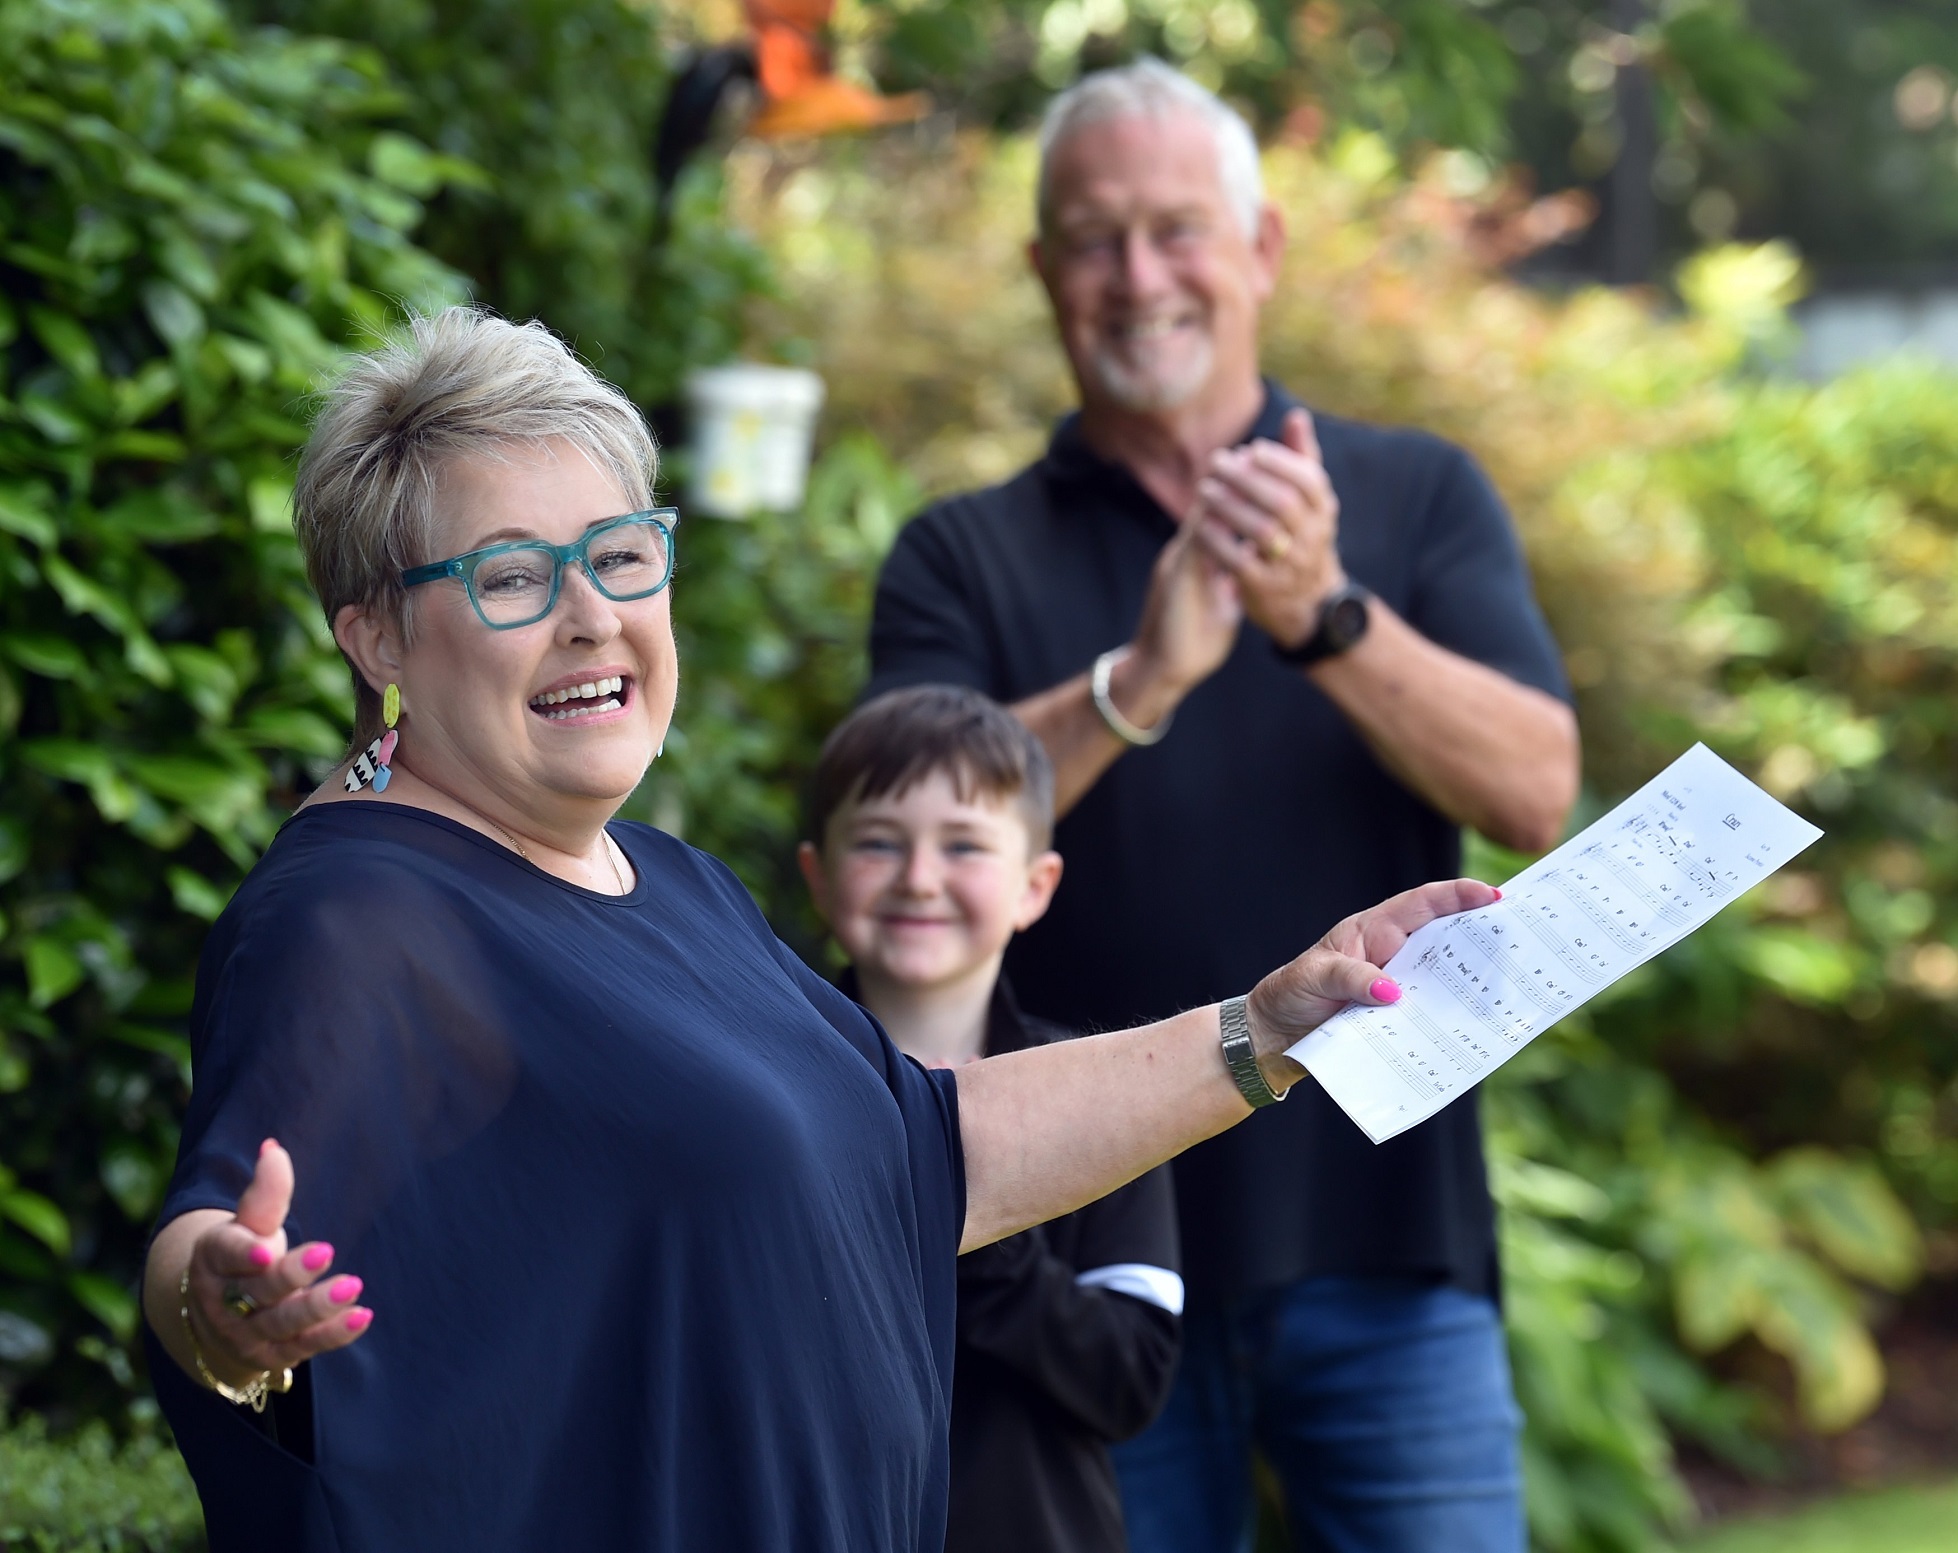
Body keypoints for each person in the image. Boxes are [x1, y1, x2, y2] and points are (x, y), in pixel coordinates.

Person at [137, 305, 1497, 1553]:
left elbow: (924, 1151)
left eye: (618, 556)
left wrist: (1268, 1026)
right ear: (377, 640)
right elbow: (220, 1242)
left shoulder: (674, 887)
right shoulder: (361, 913)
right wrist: (227, 1314)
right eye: (510, 577)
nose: (592, 616)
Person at [864, 60, 1581, 1553]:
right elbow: (903, 837)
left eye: (1176, 230)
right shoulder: (958, 554)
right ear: (1042, 269)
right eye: (1093, 238)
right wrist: (1142, 677)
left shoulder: (1413, 493)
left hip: (1386, 1242)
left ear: (1257, 251)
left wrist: (1322, 614)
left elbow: (1532, 786)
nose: (1137, 278)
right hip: (1085, 1264)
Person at [799, 684, 1181, 1553]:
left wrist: (968, 1197)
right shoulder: (766, 1086)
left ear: (1034, 885)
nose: (919, 878)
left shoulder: (1104, 1089)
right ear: (819, 876)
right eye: (878, 842)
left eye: (963, 845)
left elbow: (1130, 1375)